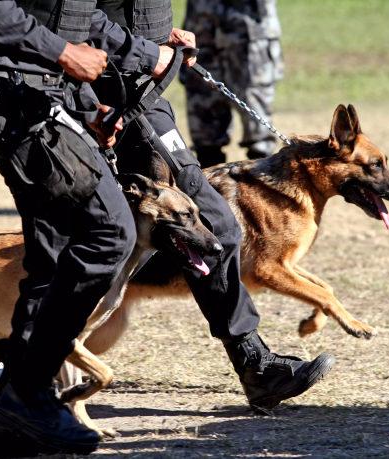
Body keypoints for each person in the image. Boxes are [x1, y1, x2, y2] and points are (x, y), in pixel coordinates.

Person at [0, 1, 193, 456]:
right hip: (13, 98)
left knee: (50, 258)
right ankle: (29, 396)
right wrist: (63, 52)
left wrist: (88, 107)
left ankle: (10, 421)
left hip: (54, 100)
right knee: (110, 231)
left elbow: (73, 17)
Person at [90, 0, 334, 425]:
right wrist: (149, 53)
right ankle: (24, 346)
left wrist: (162, 39)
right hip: (94, 94)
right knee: (94, 232)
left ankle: (256, 367)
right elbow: (72, 18)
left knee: (217, 225)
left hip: (144, 96)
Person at [180, 0, 284, 167]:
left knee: (254, 109)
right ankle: (206, 186)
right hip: (201, 22)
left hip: (247, 24)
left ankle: (262, 184)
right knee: (203, 110)